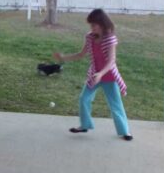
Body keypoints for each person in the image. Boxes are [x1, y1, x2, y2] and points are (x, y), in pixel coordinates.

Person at [53, 9, 133, 141]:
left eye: (94, 25)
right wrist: (63, 57)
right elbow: (81, 54)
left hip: (109, 76)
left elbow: (111, 61)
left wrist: (101, 74)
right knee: (84, 99)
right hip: (94, 75)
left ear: (102, 24)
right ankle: (84, 125)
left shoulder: (110, 39)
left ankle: (125, 131)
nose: (91, 28)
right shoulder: (90, 37)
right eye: (91, 25)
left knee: (116, 104)